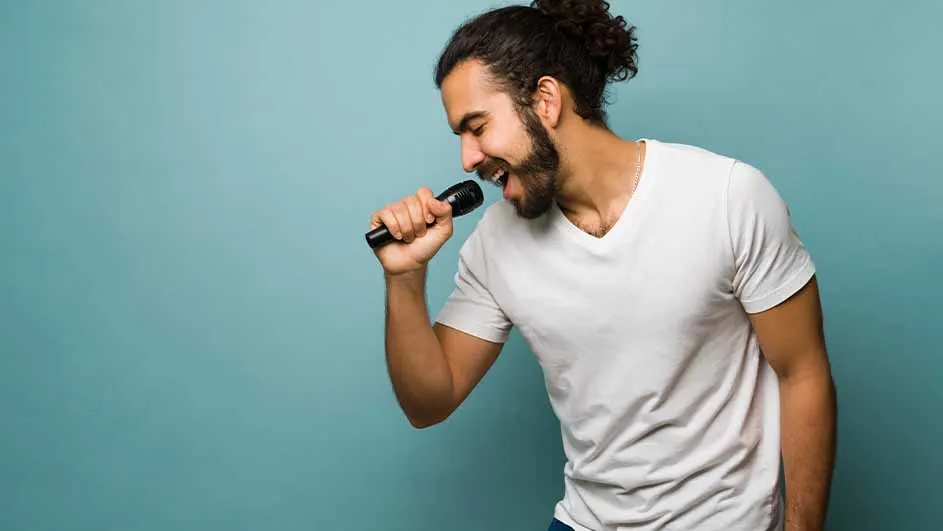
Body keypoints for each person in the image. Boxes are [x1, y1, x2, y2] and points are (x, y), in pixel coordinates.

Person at [367, 1, 837, 530]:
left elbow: (802, 373)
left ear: (545, 99)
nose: (468, 159)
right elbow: (429, 402)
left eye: (477, 127)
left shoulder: (727, 196)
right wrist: (403, 277)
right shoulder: (496, 241)